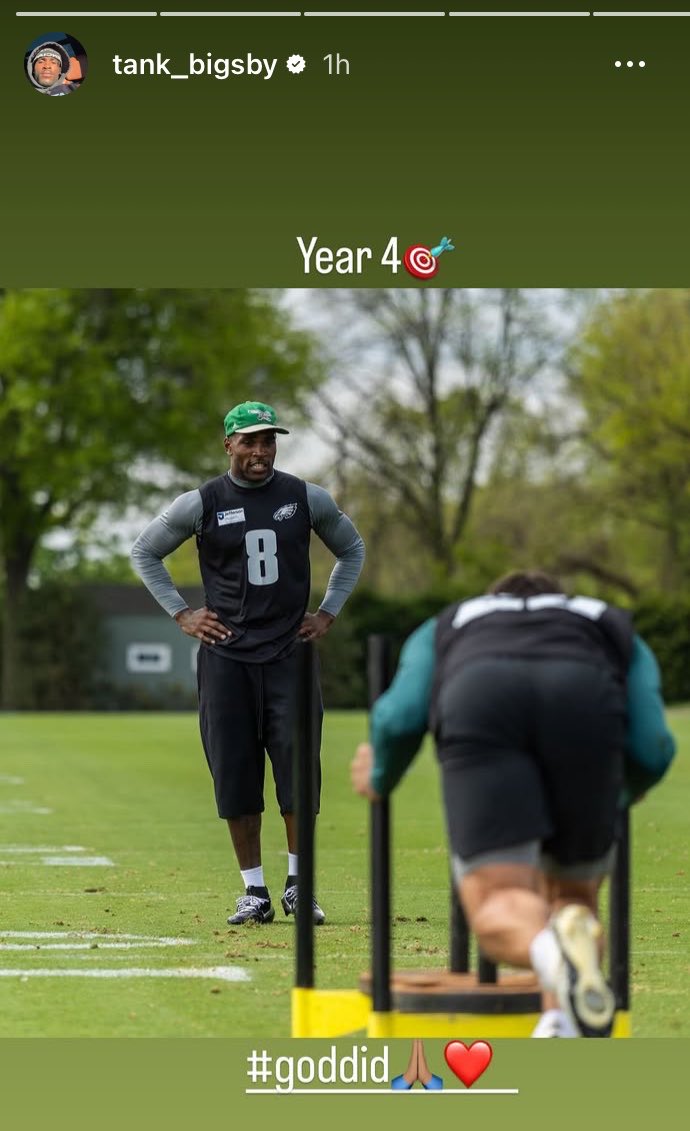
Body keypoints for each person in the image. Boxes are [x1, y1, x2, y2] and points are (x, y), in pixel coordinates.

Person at [351, 570, 676, 1037]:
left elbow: (398, 718)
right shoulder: (604, 619)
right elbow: (653, 746)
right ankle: (561, 1022)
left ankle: (551, 958)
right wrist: (623, 787)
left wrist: (380, 776)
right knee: (574, 902)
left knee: (499, 899)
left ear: (493, 599)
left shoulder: (453, 619)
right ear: (561, 600)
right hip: (583, 698)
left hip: (481, 694)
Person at [132, 400, 365, 926]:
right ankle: (254, 892)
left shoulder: (305, 497)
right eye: (250, 441)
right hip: (226, 656)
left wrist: (328, 611)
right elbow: (146, 550)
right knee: (235, 772)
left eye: (269, 441)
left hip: (289, 653)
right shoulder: (202, 502)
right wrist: (182, 614)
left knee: (298, 771)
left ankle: (299, 887)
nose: (260, 451)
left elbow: (352, 548)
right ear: (229, 444)